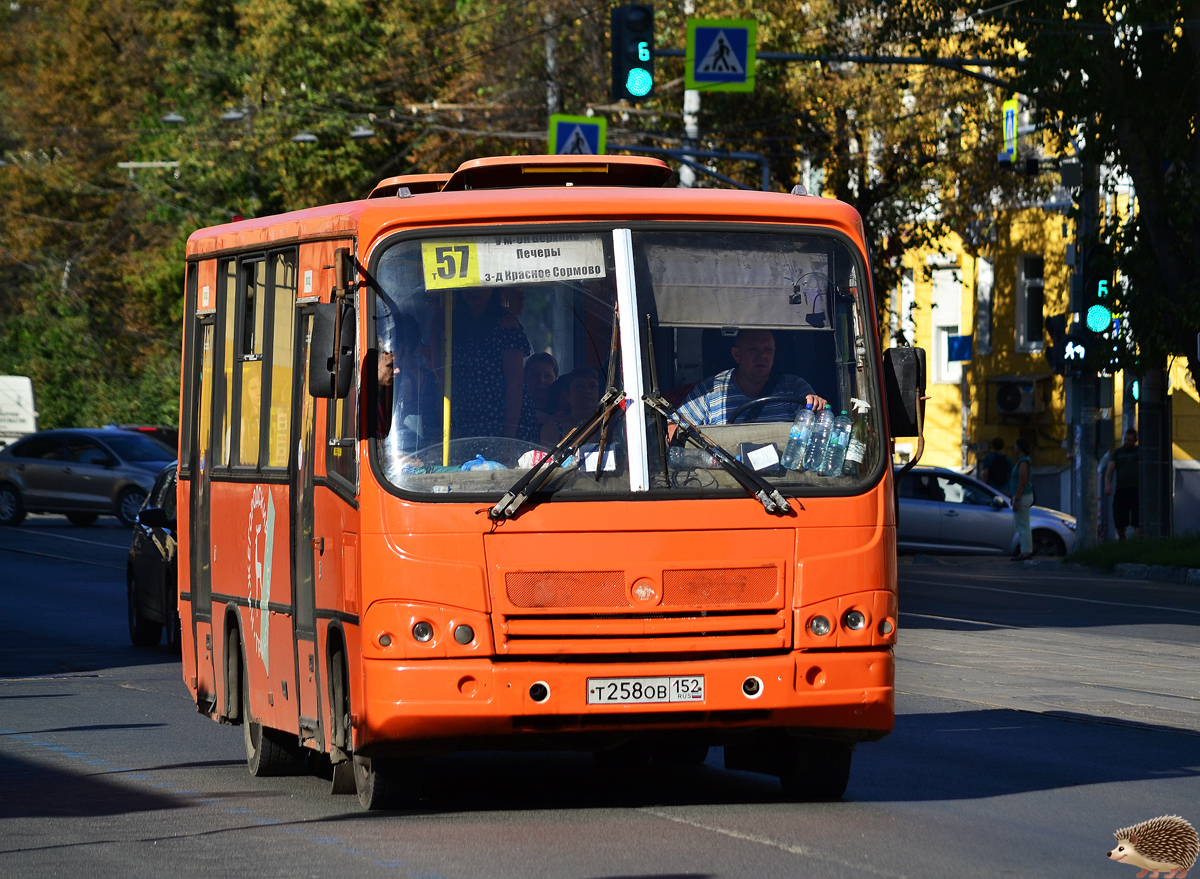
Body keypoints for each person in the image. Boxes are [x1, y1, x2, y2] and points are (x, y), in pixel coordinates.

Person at [676, 329, 826, 426]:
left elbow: (818, 424)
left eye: (767, 349)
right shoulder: (710, 390)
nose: (762, 355)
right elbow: (675, 427)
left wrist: (816, 405)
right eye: (753, 349)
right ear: (736, 354)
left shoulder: (795, 387)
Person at [449, 289, 539, 441]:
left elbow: (515, 383)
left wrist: (509, 436)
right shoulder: (453, 324)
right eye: (468, 286)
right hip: (467, 416)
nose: (472, 291)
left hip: (503, 417)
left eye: (479, 286)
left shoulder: (506, 323)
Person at [540, 367, 603, 446]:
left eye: (593, 386)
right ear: (567, 396)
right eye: (580, 386)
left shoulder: (609, 425)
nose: (587, 390)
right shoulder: (552, 429)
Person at [1106, 428, 1140, 539]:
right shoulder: (1118, 452)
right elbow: (1110, 469)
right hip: (1122, 490)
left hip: (1137, 490)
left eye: (1129, 440)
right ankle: (1122, 539)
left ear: (1135, 440)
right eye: (1125, 439)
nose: (1126, 442)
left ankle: (1136, 542)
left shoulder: (1139, 451)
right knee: (1119, 519)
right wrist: (1108, 485)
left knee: (1137, 520)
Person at [1008, 436, 1035, 560]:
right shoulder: (1023, 460)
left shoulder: (1023, 461)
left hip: (1022, 497)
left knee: (1023, 525)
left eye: (1015, 445)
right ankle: (1024, 551)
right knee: (1022, 525)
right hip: (1021, 496)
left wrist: (1017, 500)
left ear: (1019, 448)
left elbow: (1022, 482)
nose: (1014, 448)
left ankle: (1026, 552)